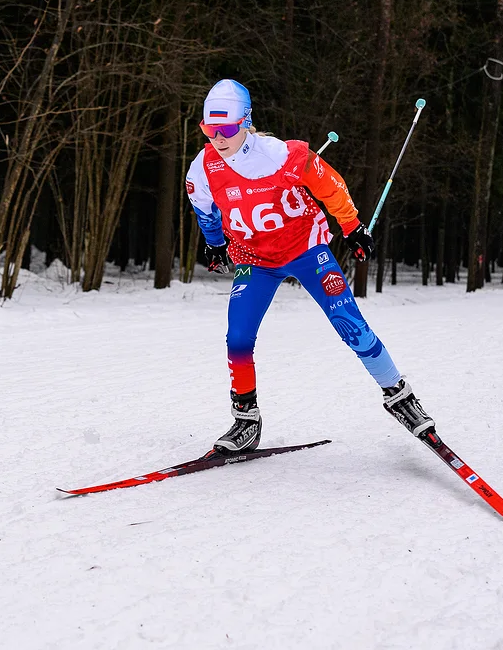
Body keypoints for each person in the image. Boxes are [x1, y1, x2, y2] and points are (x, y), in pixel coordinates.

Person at [184, 78, 433, 454]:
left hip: (305, 249)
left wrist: (352, 227)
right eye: (209, 128)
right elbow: (204, 210)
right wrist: (216, 244)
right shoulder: (202, 169)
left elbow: (331, 186)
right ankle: (246, 420)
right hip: (254, 258)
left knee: (352, 328)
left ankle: (400, 397)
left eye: (227, 128)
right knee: (237, 339)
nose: (218, 137)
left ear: (246, 121)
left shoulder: (284, 155)